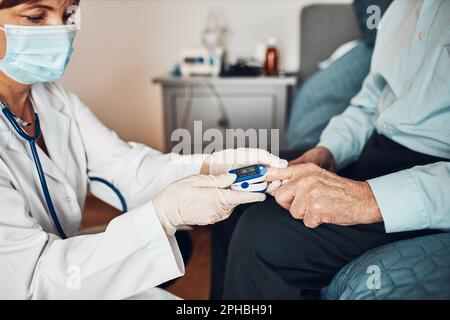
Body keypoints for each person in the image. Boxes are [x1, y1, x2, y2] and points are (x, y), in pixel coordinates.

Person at [0, 0, 286, 299]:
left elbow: (126, 168)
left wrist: (212, 166)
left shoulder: (54, 100)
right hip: (37, 284)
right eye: (35, 16)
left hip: (62, 272)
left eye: (68, 14)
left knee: (174, 243)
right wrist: (162, 216)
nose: (61, 30)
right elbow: (33, 282)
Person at [213, 0, 450, 299]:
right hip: (374, 149)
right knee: (230, 193)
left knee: (260, 238)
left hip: (430, 174)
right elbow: (368, 104)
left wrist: (365, 200)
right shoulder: (401, 9)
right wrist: (326, 152)